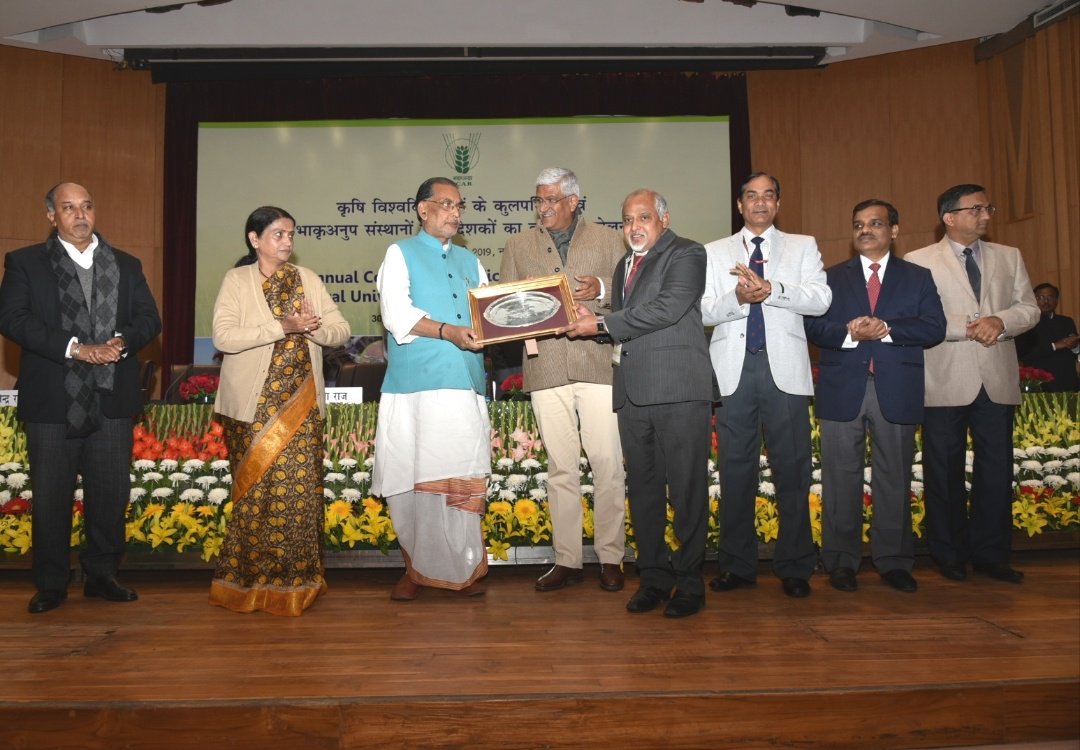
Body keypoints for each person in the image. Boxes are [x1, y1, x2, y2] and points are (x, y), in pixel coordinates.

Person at [0, 182, 161, 614]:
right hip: (53, 400)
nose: (80, 214)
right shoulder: (25, 263)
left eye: (86, 206)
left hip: (111, 397)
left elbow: (149, 318)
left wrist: (121, 343)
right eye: (68, 208)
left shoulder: (126, 264)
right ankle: (51, 583)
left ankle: (102, 575)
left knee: (110, 491)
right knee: (51, 495)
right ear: (52, 216)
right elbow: (13, 320)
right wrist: (77, 347)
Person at [563, 189, 714, 618]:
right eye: (627, 220)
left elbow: (666, 308)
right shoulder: (622, 265)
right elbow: (627, 319)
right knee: (644, 492)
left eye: (643, 217)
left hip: (679, 390)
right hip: (633, 392)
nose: (634, 227)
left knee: (686, 492)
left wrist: (601, 323)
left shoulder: (687, 253)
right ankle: (653, 578)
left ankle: (689, 584)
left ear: (663, 219)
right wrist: (595, 317)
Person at [209, 206, 351, 616]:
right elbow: (224, 336)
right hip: (250, 409)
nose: (287, 241)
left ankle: (296, 583)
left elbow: (340, 330)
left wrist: (314, 327)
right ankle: (248, 583)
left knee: (299, 495)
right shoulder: (237, 280)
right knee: (256, 496)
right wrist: (282, 327)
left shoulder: (308, 280)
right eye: (277, 234)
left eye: (290, 234)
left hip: (301, 405)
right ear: (254, 240)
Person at [804, 200, 945, 593]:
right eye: (858, 225)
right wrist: (850, 334)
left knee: (893, 478)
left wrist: (887, 328)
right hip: (841, 390)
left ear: (894, 231)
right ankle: (840, 561)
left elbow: (934, 327)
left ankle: (895, 561)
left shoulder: (918, 278)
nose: (865, 230)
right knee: (839, 479)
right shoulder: (830, 277)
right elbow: (813, 327)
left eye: (876, 223)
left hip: (896, 390)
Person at [701, 172, 831, 599]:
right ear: (740, 205)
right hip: (733, 373)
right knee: (736, 472)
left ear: (778, 203)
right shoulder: (714, 251)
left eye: (768, 196)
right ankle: (736, 566)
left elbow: (820, 299)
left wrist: (770, 289)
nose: (759, 203)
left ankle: (795, 566)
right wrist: (739, 298)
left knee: (792, 471)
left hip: (786, 375)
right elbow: (702, 312)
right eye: (751, 196)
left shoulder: (802, 246)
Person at [500, 167, 627, 593]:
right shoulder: (518, 244)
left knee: (608, 462)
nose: (545, 208)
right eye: (539, 200)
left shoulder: (610, 240)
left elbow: (631, 295)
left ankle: (612, 557)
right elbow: (502, 303)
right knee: (561, 468)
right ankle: (568, 560)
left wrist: (603, 290)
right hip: (546, 367)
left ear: (575, 201)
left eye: (553, 200)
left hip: (597, 365)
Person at [905, 184, 1039, 583]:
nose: (985, 215)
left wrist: (1000, 322)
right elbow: (914, 319)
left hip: (996, 377)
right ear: (949, 216)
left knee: (996, 469)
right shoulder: (918, 260)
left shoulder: (1009, 256)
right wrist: (967, 328)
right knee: (942, 469)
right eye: (976, 209)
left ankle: (992, 555)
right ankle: (948, 554)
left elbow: (1029, 308)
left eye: (988, 208)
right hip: (944, 378)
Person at [371, 177, 490, 601]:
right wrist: (448, 331)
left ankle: (463, 567)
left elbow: (487, 317)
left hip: (466, 384)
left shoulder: (471, 260)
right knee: (415, 478)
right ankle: (417, 569)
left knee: (461, 475)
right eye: (445, 204)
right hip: (415, 387)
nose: (455, 212)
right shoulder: (399, 253)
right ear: (423, 209)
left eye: (459, 205)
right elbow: (396, 313)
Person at [1016, 283, 1079, 391]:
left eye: (1050, 297)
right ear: (1033, 300)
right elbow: (1023, 354)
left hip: (1068, 382)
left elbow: (1075, 354)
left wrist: (1075, 346)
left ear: (1056, 300)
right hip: (1039, 384)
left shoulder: (1067, 321)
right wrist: (1055, 346)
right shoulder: (1027, 323)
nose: (1045, 301)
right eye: (1040, 297)